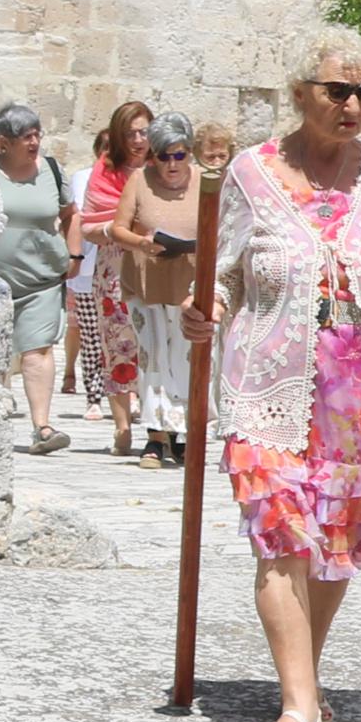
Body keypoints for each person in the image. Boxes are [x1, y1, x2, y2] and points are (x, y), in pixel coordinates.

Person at [194, 30, 361, 722]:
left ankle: (304, 680)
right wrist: (205, 310)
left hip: (359, 386)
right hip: (265, 376)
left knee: (333, 543)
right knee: (281, 534)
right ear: (300, 93)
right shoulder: (251, 174)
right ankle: (297, 710)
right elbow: (222, 275)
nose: (353, 104)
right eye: (338, 90)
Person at [0, 105, 79, 455]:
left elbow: (69, 215)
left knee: (38, 350)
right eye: (26, 137)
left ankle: (42, 427)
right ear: (4, 142)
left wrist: (74, 254)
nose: (34, 142)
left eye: (37, 134)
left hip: (42, 277)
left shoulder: (51, 169)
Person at [113, 118, 204, 471]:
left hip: (190, 283)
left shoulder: (207, 183)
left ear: (189, 153)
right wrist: (142, 243)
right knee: (153, 357)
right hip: (147, 281)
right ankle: (155, 436)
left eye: (178, 155)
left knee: (184, 358)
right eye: (162, 156)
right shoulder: (140, 180)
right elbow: (118, 229)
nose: (171, 164)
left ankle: (181, 434)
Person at [72, 102, 151, 451]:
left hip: (156, 270)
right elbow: (88, 224)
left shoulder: (163, 167)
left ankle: (155, 424)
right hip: (116, 270)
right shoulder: (105, 170)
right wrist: (118, 228)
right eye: (130, 133)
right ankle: (121, 427)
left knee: (154, 345)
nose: (138, 140)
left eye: (144, 131)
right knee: (119, 346)